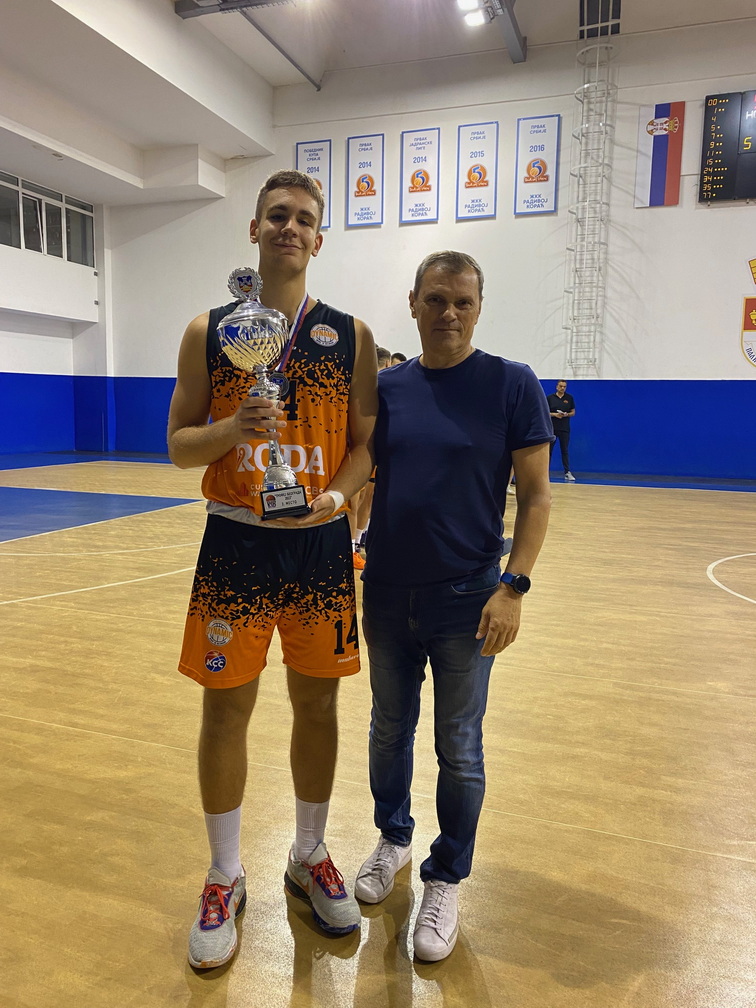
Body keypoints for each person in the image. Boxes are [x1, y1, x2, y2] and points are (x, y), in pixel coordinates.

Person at [167, 169, 377, 969]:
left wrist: (339, 495)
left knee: (317, 706)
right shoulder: (208, 330)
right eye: (277, 215)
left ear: (319, 239)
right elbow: (178, 445)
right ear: (253, 230)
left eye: (304, 218)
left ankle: (309, 850)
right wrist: (232, 428)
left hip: (318, 545)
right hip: (236, 544)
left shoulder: (350, 335)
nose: (290, 226)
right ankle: (225, 872)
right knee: (225, 711)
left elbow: (366, 446)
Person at [354, 251, 553, 962]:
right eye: (435, 299)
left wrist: (513, 586)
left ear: (479, 307)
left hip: (469, 597)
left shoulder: (511, 384)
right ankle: (393, 839)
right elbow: (362, 474)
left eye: (462, 302)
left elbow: (537, 497)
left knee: (459, 745)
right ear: (413, 303)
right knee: (387, 730)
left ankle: (446, 877)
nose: (449, 313)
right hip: (386, 592)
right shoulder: (386, 389)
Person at [352, 346, 392, 560]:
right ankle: (354, 545)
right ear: (388, 363)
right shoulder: (382, 385)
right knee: (362, 499)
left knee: (358, 499)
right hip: (367, 448)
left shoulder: (359, 383)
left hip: (359, 448)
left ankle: (355, 544)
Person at [547, 379, 576, 480]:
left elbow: (573, 412)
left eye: (564, 386)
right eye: (560, 386)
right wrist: (555, 414)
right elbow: (545, 412)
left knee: (564, 450)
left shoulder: (569, 398)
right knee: (548, 451)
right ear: (557, 387)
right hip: (552, 429)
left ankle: (567, 472)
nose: (562, 388)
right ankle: (545, 472)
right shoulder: (550, 398)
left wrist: (567, 414)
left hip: (564, 429)